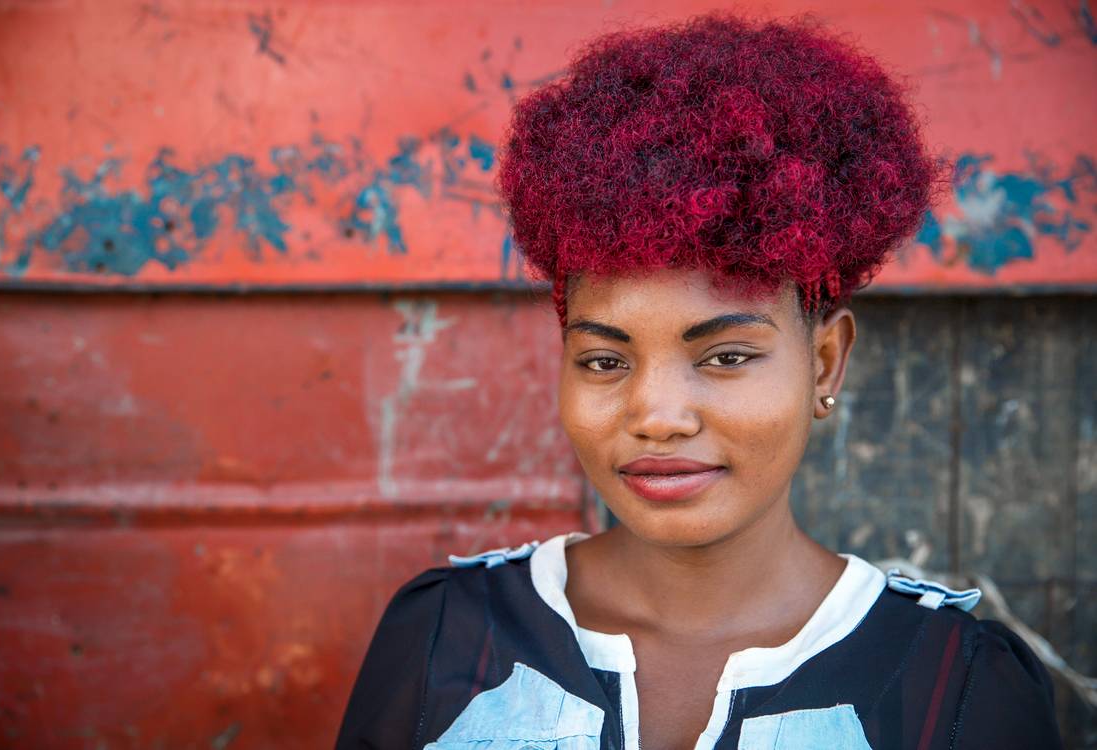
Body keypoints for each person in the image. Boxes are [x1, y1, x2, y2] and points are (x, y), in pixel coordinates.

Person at [336, 13, 1061, 750]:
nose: (656, 415)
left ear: (823, 363)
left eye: (724, 357)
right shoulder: (442, 635)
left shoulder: (956, 680)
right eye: (604, 361)